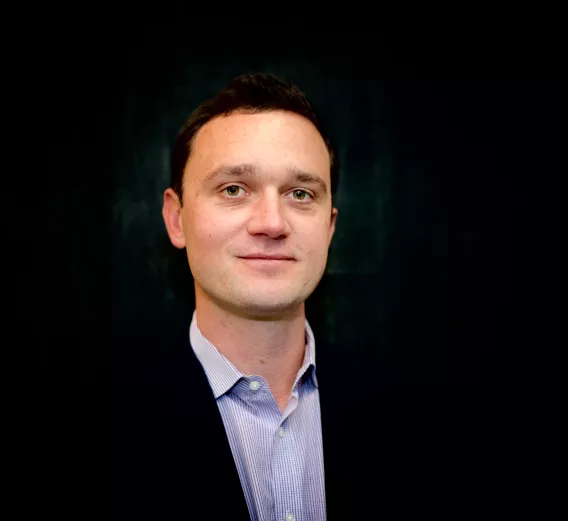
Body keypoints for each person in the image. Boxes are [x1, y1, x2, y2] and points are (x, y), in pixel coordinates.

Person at [112, 73, 486, 520]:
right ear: (177, 219)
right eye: (233, 189)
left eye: (300, 193)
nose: (272, 223)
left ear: (329, 228)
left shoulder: (420, 420)